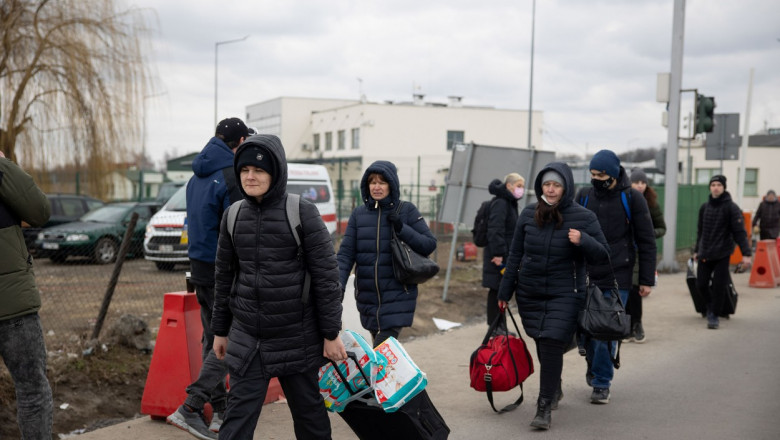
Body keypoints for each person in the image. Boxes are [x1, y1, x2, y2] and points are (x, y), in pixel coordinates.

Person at [211, 134, 346, 439]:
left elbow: (326, 278)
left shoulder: (302, 213)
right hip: (249, 340)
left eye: (258, 170)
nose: (250, 176)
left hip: (297, 337)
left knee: (310, 418)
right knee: (236, 421)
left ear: (276, 172)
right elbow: (224, 278)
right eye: (244, 170)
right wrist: (220, 331)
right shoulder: (232, 216)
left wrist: (330, 333)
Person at [497, 163, 609, 430]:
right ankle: (554, 385)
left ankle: (544, 405)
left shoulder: (583, 217)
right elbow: (515, 256)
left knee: (550, 341)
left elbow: (603, 253)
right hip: (530, 292)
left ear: (565, 187)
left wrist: (584, 240)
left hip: (565, 293)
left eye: (556, 185)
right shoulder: (528, 214)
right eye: (546, 184)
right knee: (540, 338)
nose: (551, 189)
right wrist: (504, 292)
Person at [167, 117, 248, 440]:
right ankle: (190, 406)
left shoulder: (195, 177)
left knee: (211, 338)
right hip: (223, 271)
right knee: (230, 339)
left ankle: (221, 411)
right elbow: (238, 228)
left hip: (199, 268)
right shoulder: (230, 176)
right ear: (239, 142)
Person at [575, 149, 656, 404]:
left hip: (618, 272)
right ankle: (594, 363)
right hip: (586, 271)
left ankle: (601, 382)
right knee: (587, 330)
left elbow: (646, 240)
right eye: (592, 174)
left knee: (606, 330)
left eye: (600, 174)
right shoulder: (584, 196)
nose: (595, 178)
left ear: (612, 174)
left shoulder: (631, 198)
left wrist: (645, 280)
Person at [337, 160, 437, 346]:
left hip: (398, 294)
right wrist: (338, 284)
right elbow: (345, 255)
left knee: (381, 350)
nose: (377, 187)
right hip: (368, 297)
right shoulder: (358, 215)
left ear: (391, 184)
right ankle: (395, 375)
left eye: (382, 182)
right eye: (372, 182)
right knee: (384, 356)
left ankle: (387, 375)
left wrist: (401, 227)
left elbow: (429, 244)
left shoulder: (406, 210)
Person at [0, 149, 53, 439]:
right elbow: (40, 211)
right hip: (15, 308)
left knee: (32, 389)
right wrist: (4, 166)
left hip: (15, 306)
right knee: (32, 390)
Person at [694, 175, 752, 330]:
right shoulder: (704, 207)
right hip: (705, 253)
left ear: (724, 187)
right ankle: (711, 305)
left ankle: (714, 314)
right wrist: (696, 250)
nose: (716, 187)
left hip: (722, 253)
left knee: (720, 285)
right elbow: (700, 231)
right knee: (701, 284)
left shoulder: (731, 208)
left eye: (719, 184)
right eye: (713, 184)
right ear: (710, 187)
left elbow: (740, 232)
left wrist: (746, 254)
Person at [626, 168, 666, 343]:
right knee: (625, 288)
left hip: (642, 252)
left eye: (643, 182)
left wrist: (647, 234)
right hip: (625, 250)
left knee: (636, 290)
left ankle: (637, 324)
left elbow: (662, 228)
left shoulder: (651, 203)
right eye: (636, 182)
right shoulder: (623, 200)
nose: (640, 185)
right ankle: (626, 327)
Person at [482, 173, 524, 334]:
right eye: (518, 186)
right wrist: (499, 253)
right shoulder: (501, 203)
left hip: (505, 254)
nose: (521, 190)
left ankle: (500, 326)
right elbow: (495, 229)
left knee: (501, 289)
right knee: (496, 289)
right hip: (497, 256)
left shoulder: (509, 203)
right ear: (509, 186)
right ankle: (495, 327)